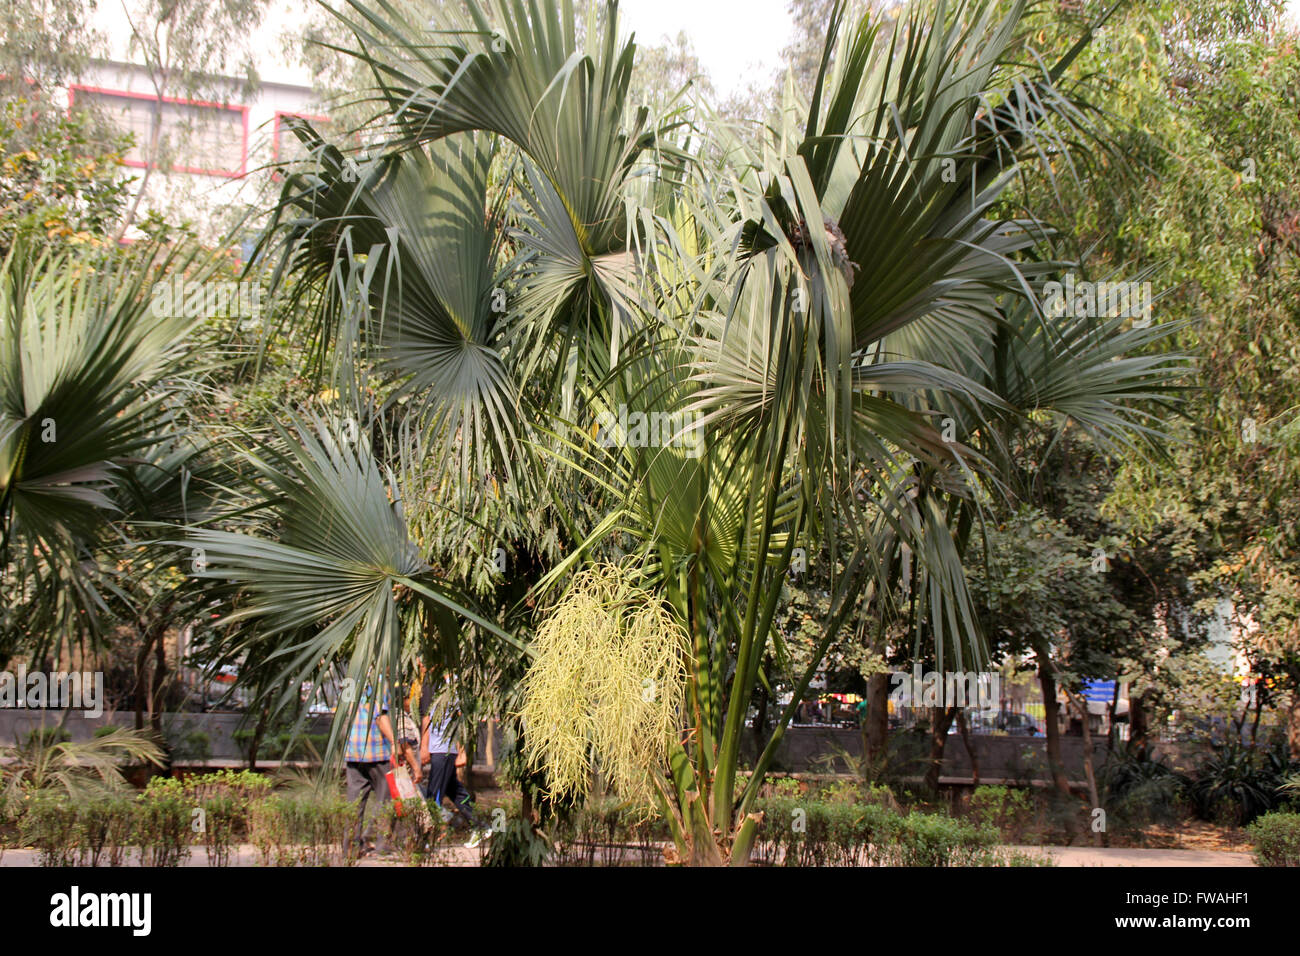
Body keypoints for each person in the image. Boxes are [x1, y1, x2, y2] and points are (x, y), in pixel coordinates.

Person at [419, 683, 490, 849]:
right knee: (455, 792)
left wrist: (424, 746)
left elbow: (427, 717)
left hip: (441, 749)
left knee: (434, 795)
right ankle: (480, 826)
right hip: (445, 749)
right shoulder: (453, 683)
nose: (420, 663)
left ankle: (429, 838)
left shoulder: (433, 682)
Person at [344, 685, 397, 858]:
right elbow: (380, 717)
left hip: (353, 750)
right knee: (385, 799)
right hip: (376, 750)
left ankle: (350, 847)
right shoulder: (379, 681)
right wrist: (395, 742)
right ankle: (383, 845)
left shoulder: (350, 680)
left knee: (354, 803)